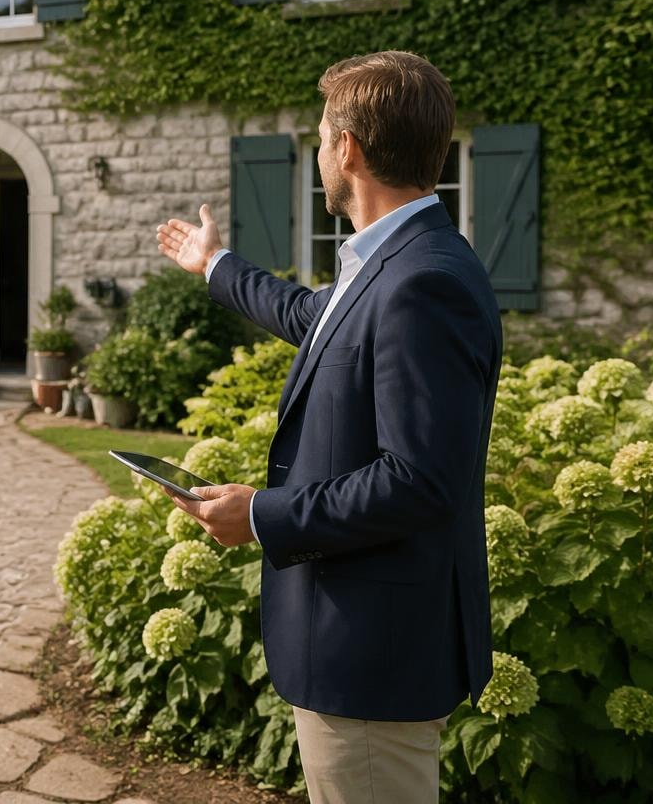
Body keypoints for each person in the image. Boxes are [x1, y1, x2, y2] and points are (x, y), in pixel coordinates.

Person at [157, 51, 501, 803]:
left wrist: (261, 514)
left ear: (348, 148)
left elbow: (419, 482)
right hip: (362, 647)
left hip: (374, 658)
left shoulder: (423, 281)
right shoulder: (397, 259)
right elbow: (313, 318)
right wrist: (214, 263)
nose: (318, 152)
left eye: (319, 136)